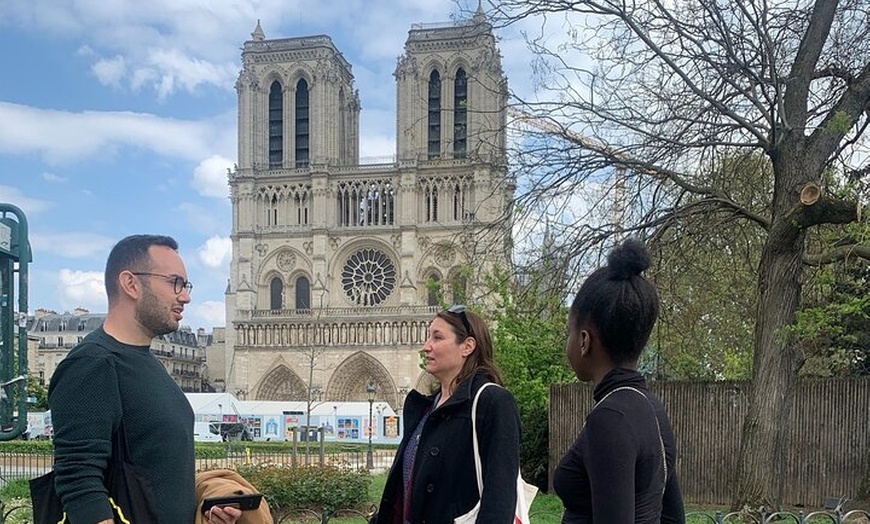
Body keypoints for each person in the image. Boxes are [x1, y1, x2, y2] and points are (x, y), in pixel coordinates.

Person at [49, 234, 242, 524]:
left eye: (186, 285)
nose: (185, 296)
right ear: (131, 284)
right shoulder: (93, 362)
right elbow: (80, 483)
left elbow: (155, 481)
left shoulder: (147, 363)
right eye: (175, 282)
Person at [553, 238, 685, 523]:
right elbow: (674, 518)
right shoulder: (651, 407)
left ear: (584, 341)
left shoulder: (610, 418)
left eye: (570, 332)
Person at [373, 305, 522, 523]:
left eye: (437, 337)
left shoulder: (492, 402)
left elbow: (500, 497)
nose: (426, 347)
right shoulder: (426, 407)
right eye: (427, 337)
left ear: (467, 346)